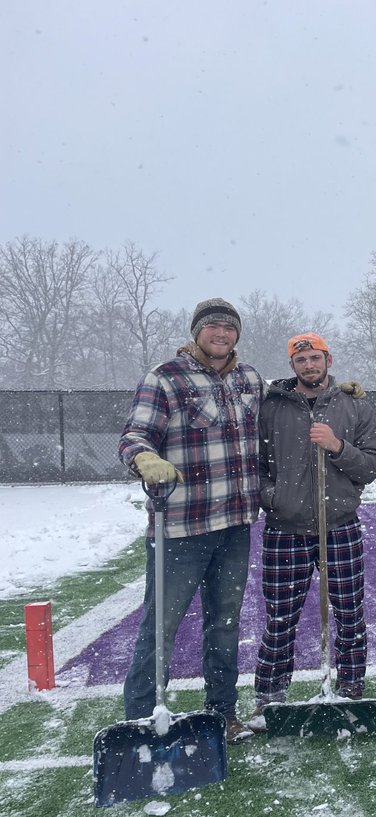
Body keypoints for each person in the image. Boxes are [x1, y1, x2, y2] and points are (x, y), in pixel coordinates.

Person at [117, 297, 265, 743]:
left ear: (237, 334)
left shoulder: (250, 379)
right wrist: (143, 457)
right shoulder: (166, 378)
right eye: (212, 328)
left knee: (225, 622)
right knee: (161, 625)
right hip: (181, 529)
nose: (221, 335)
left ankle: (222, 712)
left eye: (229, 328)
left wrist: (336, 391)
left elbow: (291, 403)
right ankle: (141, 719)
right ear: (197, 332)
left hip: (235, 525)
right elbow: (134, 434)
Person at [248, 332, 376, 727]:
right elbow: (252, 463)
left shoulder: (354, 406)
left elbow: (372, 465)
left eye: (315, 358)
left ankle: (352, 686)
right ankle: (269, 695)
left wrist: (338, 446)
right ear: (292, 365)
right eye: (301, 359)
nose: (309, 365)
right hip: (285, 528)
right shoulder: (271, 407)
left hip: (338, 525)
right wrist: (274, 497)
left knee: (349, 612)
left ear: (329, 359)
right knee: (280, 617)